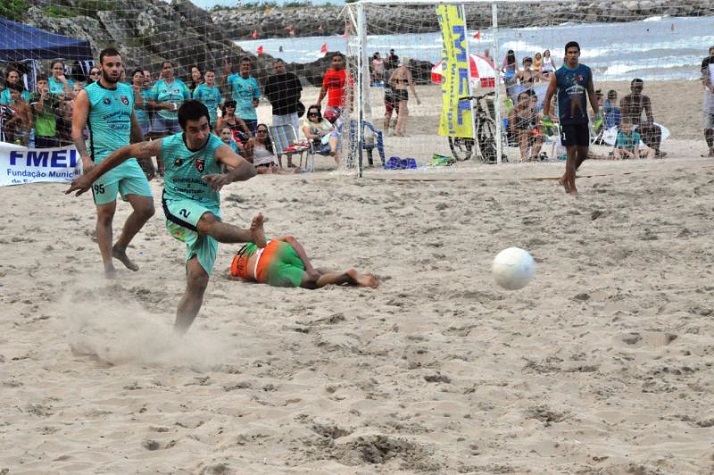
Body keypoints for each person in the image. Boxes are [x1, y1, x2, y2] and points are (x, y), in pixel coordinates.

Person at [67, 100, 263, 334]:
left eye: (204, 127)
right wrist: (90, 177)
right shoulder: (169, 144)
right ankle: (251, 236)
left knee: (198, 280)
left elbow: (248, 168)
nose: (200, 134)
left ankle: (175, 341)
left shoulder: (216, 146)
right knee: (210, 223)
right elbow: (126, 151)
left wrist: (228, 178)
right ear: (183, 129)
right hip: (177, 204)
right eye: (193, 129)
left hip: (206, 206)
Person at [71, 47, 156, 277]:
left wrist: (146, 156)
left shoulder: (127, 91)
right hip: (102, 162)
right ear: (100, 67)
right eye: (110, 65)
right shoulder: (87, 94)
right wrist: (86, 158)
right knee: (106, 214)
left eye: (118, 64)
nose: (115, 69)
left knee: (146, 208)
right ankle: (108, 264)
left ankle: (120, 248)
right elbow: (76, 131)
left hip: (127, 158)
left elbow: (134, 125)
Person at [543, 41, 599, 195]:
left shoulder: (586, 71)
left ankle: (565, 177)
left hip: (582, 118)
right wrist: (546, 118)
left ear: (579, 54)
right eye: (570, 52)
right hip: (566, 119)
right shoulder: (559, 74)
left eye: (575, 52)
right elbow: (547, 97)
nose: (573, 55)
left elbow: (592, 93)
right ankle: (572, 187)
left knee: (583, 152)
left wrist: (598, 114)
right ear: (565, 55)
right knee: (571, 151)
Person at [230, 234, 379, 289]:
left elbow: (242, 278)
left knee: (312, 282)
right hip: (278, 248)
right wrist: (309, 267)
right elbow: (290, 238)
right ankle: (350, 274)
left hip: (267, 267)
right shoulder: (252, 244)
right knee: (314, 272)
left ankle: (346, 276)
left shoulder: (235, 269)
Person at [263, 58, 302, 167]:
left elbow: (299, 92)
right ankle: (279, 162)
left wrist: (293, 101)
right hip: (277, 112)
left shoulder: (292, 77)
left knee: (291, 136)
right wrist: (274, 102)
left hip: (292, 111)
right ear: (273, 68)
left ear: (283, 66)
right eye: (276, 67)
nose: (278, 69)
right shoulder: (271, 79)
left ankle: (289, 161)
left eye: (280, 66)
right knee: (277, 137)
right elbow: (267, 94)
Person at [619, 78, 665, 158]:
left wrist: (650, 123)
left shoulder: (645, 99)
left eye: (639, 88)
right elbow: (624, 118)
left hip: (639, 122)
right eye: (635, 87)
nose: (637, 90)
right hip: (628, 124)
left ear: (642, 88)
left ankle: (655, 150)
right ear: (631, 88)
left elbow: (649, 115)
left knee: (656, 128)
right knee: (639, 129)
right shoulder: (625, 99)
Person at [149, 60, 191, 137]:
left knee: (179, 142)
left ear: (173, 69)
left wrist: (182, 108)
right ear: (162, 71)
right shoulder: (157, 85)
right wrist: (163, 105)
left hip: (178, 119)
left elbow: (189, 100)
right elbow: (151, 103)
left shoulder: (181, 84)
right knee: (161, 144)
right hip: (161, 119)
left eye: (170, 67)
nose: (168, 69)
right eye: (165, 68)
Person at [222, 57, 261, 135]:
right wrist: (226, 72)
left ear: (250, 67)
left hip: (251, 116)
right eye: (244, 65)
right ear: (240, 66)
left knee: (251, 140)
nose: (246, 66)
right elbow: (223, 84)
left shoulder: (253, 81)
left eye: (248, 65)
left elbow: (256, 97)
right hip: (238, 116)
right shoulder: (233, 77)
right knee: (239, 140)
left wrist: (256, 102)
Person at [388, 56, 420, 137]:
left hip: (397, 91)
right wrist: (416, 97)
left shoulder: (396, 70)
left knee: (405, 112)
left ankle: (401, 130)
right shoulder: (407, 71)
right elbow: (411, 85)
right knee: (402, 113)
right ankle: (398, 131)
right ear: (407, 63)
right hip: (403, 92)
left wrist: (397, 84)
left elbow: (389, 81)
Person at [316, 52, 353, 123]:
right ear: (331, 62)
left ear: (342, 62)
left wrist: (351, 104)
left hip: (343, 107)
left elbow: (351, 90)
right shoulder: (328, 73)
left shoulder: (347, 74)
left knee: (342, 129)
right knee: (326, 126)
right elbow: (324, 89)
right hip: (330, 106)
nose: (337, 62)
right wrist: (319, 101)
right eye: (335, 60)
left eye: (339, 60)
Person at [509, 90, 543, 162]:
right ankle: (524, 158)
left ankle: (534, 156)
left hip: (530, 132)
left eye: (526, 98)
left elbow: (537, 125)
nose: (525, 100)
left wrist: (539, 131)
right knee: (525, 134)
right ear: (518, 100)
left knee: (539, 135)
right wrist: (525, 131)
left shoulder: (532, 110)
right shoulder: (514, 111)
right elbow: (512, 128)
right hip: (516, 134)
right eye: (522, 98)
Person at [30, 75, 61, 148]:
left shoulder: (53, 96)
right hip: (39, 132)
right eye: (40, 83)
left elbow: (60, 113)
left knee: (52, 157)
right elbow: (39, 110)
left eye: (45, 83)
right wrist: (42, 96)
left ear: (48, 84)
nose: (43, 85)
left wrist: (62, 101)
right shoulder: (33, 95)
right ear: (37, 85)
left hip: (52, 132)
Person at [701, 45, 714, 158]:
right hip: (709, 97)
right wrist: (710, 86)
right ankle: (711, 149)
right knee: (707, 126)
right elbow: (704, 78)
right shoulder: (706, 61)